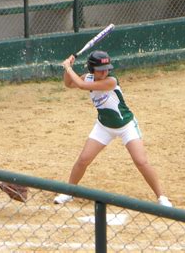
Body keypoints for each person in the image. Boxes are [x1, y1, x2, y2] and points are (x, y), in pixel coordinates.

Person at [53, 51, 173, 207]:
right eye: (100, 69)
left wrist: (68, 68)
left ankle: (162, 197)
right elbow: (69, 84)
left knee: (141, 161)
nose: (104, 72)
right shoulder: (87, 77)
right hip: (104, 126)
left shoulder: (111, 81)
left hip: (126, 126)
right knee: (83, 160)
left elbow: (81, 86)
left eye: (106, 68)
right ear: (91, 69)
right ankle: (69, 192)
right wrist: (68, 68)